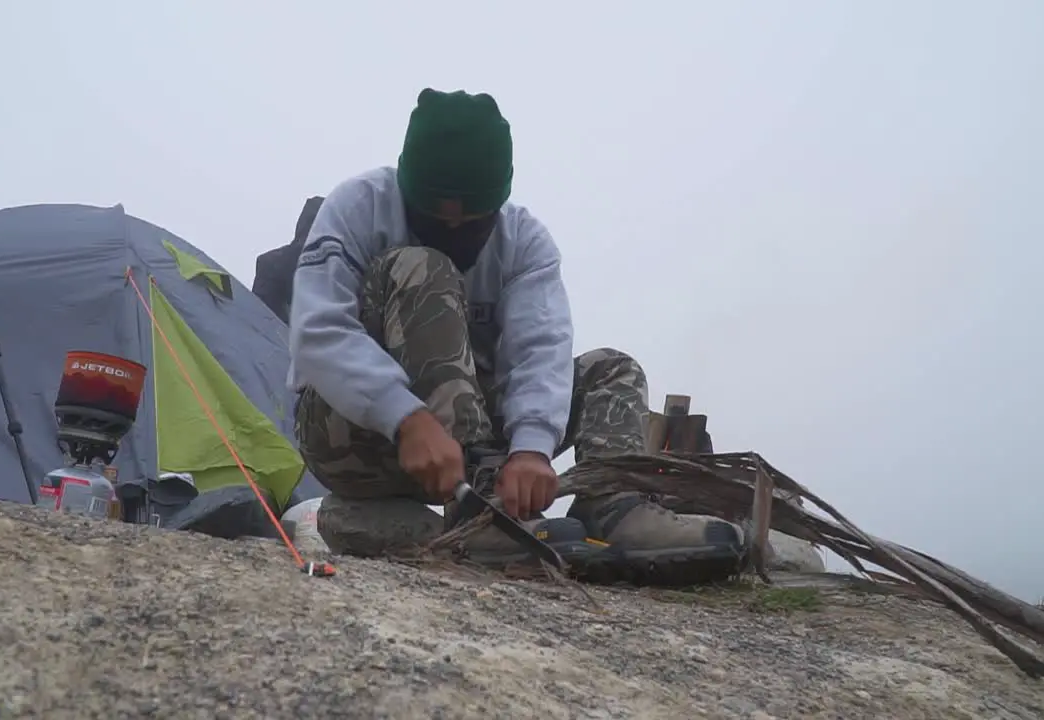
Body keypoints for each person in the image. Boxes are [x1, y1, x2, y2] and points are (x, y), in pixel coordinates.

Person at [287, 87, 744, 583]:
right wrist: (407, 417)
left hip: (477, 445)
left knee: (611, 368)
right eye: (436, 216)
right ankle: (479, 511)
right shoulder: (359, 207)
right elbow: (319, 331)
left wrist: (530, 449)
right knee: (425, 267)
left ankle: (613, 507)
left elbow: (540, 349)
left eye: (471, 219)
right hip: (355, 436)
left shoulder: (525, 243)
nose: (454, 226)